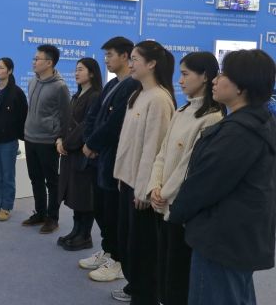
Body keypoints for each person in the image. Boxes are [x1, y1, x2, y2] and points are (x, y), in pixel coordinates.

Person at [170, 49, 276, 305]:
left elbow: (204, 184)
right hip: (238, 237)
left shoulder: (238, 133)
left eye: (224, 74)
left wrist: (177, 213)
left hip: (221, 240)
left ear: (242, 86)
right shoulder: (258, 122)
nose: (215, 80)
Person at [146, 52, 224, 305]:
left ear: (205, 77)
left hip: (180, 208)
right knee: (162, 266)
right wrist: (154, 187)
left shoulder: (212, 117)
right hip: (162, 202)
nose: (180, 80)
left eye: (185, 74)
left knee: (177, 274)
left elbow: (189, 167)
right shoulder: (182, 110)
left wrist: (164, 194)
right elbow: (162, 153)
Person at [113, 40, 176, 304]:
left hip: (141, 190)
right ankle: (136, 290)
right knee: (128, 244)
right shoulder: (138, 94)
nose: (130, 64)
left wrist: (143, 189)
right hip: (128, 182)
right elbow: (128, 145)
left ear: (151, 64)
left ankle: (144, 296)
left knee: (142, 250)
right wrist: (122, 177)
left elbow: (153, 149)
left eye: (135, 59)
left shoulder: (159, 99)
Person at [78, 37, 139, 283]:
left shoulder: (132, 86)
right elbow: (93, 116)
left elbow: (115, 125)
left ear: (125, 56)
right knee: (101, 209)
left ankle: (118, 260)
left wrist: (93, 144)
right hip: (98, 157)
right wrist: (89, 142)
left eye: (110, 55)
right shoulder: (113, 83)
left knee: (113, 212)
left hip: (114, 159)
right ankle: (108, 250)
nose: (106, 60)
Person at [22, 44, 70, 234]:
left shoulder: (60, 86)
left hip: (48, 141)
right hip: (30, 138)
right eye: (34, 59)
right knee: (35, 179)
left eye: (37, 59)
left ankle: (53, 218)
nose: (34, 62)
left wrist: (60, 138)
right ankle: (40, 213)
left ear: (49, 63)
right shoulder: (32, 81)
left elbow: (66, 116)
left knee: (52, 181)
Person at [56, 58, 102, 251]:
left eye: (81, 70)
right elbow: (66, 120)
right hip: (70, 152)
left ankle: (85, 235)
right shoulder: (76, 95)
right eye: (76, 70)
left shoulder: (95, 96)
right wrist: (59, 139)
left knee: (84, 196)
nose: (76, 73)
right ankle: (76, 231)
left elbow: (86, 126)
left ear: (91, 73)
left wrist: (66, 143)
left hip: (82, 153)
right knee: (74, 194)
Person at [0, 57, 28, 221]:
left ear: (10, 71)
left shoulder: (17, 92)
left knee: (8, 175)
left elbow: (23, 116)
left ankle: (6, 207)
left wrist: (17, 135)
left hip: (8, 140)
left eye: (1, 68)